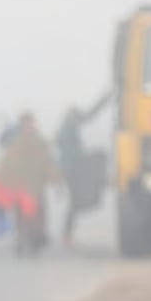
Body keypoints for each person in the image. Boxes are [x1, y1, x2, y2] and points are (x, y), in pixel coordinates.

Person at [0, 112, 58, 251]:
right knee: (20, 214)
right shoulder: (15, 143)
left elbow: (48, 160)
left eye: (31, 123)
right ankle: (21, 239)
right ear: (22, 125)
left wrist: (53, 176)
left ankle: (37, 237)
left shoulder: (40, 141)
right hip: (20, 184)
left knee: (39, 211)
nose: (29, 126)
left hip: (36, 183)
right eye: (26, 124)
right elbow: (6, 162)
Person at [55, 93, 111, 247]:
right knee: (75, 202)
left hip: (73, 167)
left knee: (75, 203)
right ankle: (67, 235)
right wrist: (104, 99)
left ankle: (67, 234)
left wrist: (105, 99)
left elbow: (88, 116)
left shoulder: (67, 127)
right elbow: (89, 116)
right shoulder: (67, 129)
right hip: (72, 169)